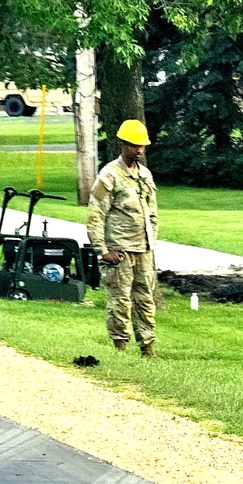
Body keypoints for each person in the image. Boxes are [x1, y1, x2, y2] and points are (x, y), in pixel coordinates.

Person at [87, 119, 160, 357]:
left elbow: (153, 212)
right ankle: (120, 348)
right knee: (121, 301)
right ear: (122, 144)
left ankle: (148, 348)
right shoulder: (110, 175)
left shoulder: (145, 175)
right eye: (133, 145)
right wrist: (102, 249)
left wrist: (153, 240)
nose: (138, 150)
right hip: (120, 250)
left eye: (142, 146)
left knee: (146, 300)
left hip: (144, 250)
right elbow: (95, 215)